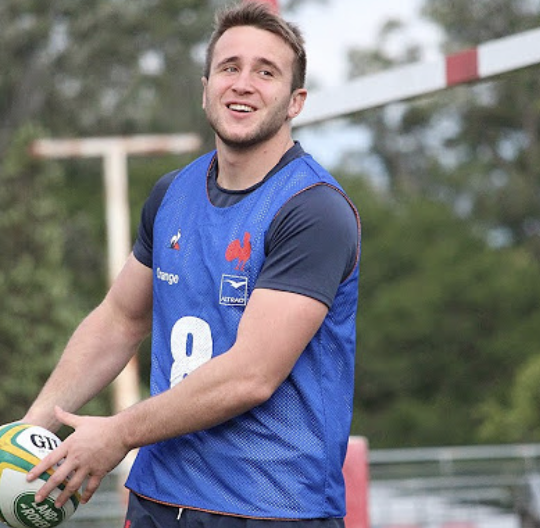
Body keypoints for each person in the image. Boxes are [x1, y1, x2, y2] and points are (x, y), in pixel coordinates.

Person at [19, 2, 361, 524]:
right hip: (160, 497)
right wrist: (32, 426)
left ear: (296, 102)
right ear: (205, 88)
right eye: (230, 68)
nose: (243, 83)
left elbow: (251, 375)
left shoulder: (314, 209)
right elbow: (120, 318)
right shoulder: (171, 193)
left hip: (271, 508)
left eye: (265, 72)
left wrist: (118, 433)